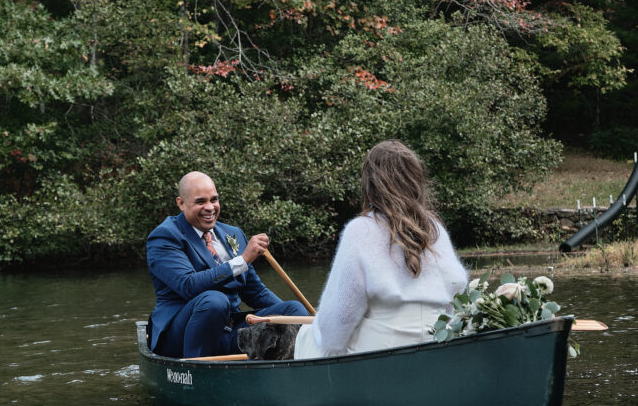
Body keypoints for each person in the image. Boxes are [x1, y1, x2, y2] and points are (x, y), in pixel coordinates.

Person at [294, 140, 467, 359]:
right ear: (415, 181)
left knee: (306, 337)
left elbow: (337, 324)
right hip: (437, 346)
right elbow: (457, 297)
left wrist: (317, 340)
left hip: (382, 355)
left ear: (370, 185)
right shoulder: (435, 229)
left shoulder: (360, 230)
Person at [147, 172, 307, 358]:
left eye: (214, 200)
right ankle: (197, 369)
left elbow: (255, 292)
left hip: (229, 330)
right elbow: (188, 286)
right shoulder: (165, 236)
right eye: (201, 202)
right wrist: (242, 260)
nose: (210, 207)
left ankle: (288, 369)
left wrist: (297, 321)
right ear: (181, 203)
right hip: (181, 336)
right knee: (215, 301)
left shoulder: (233, 234)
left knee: (292, 309)